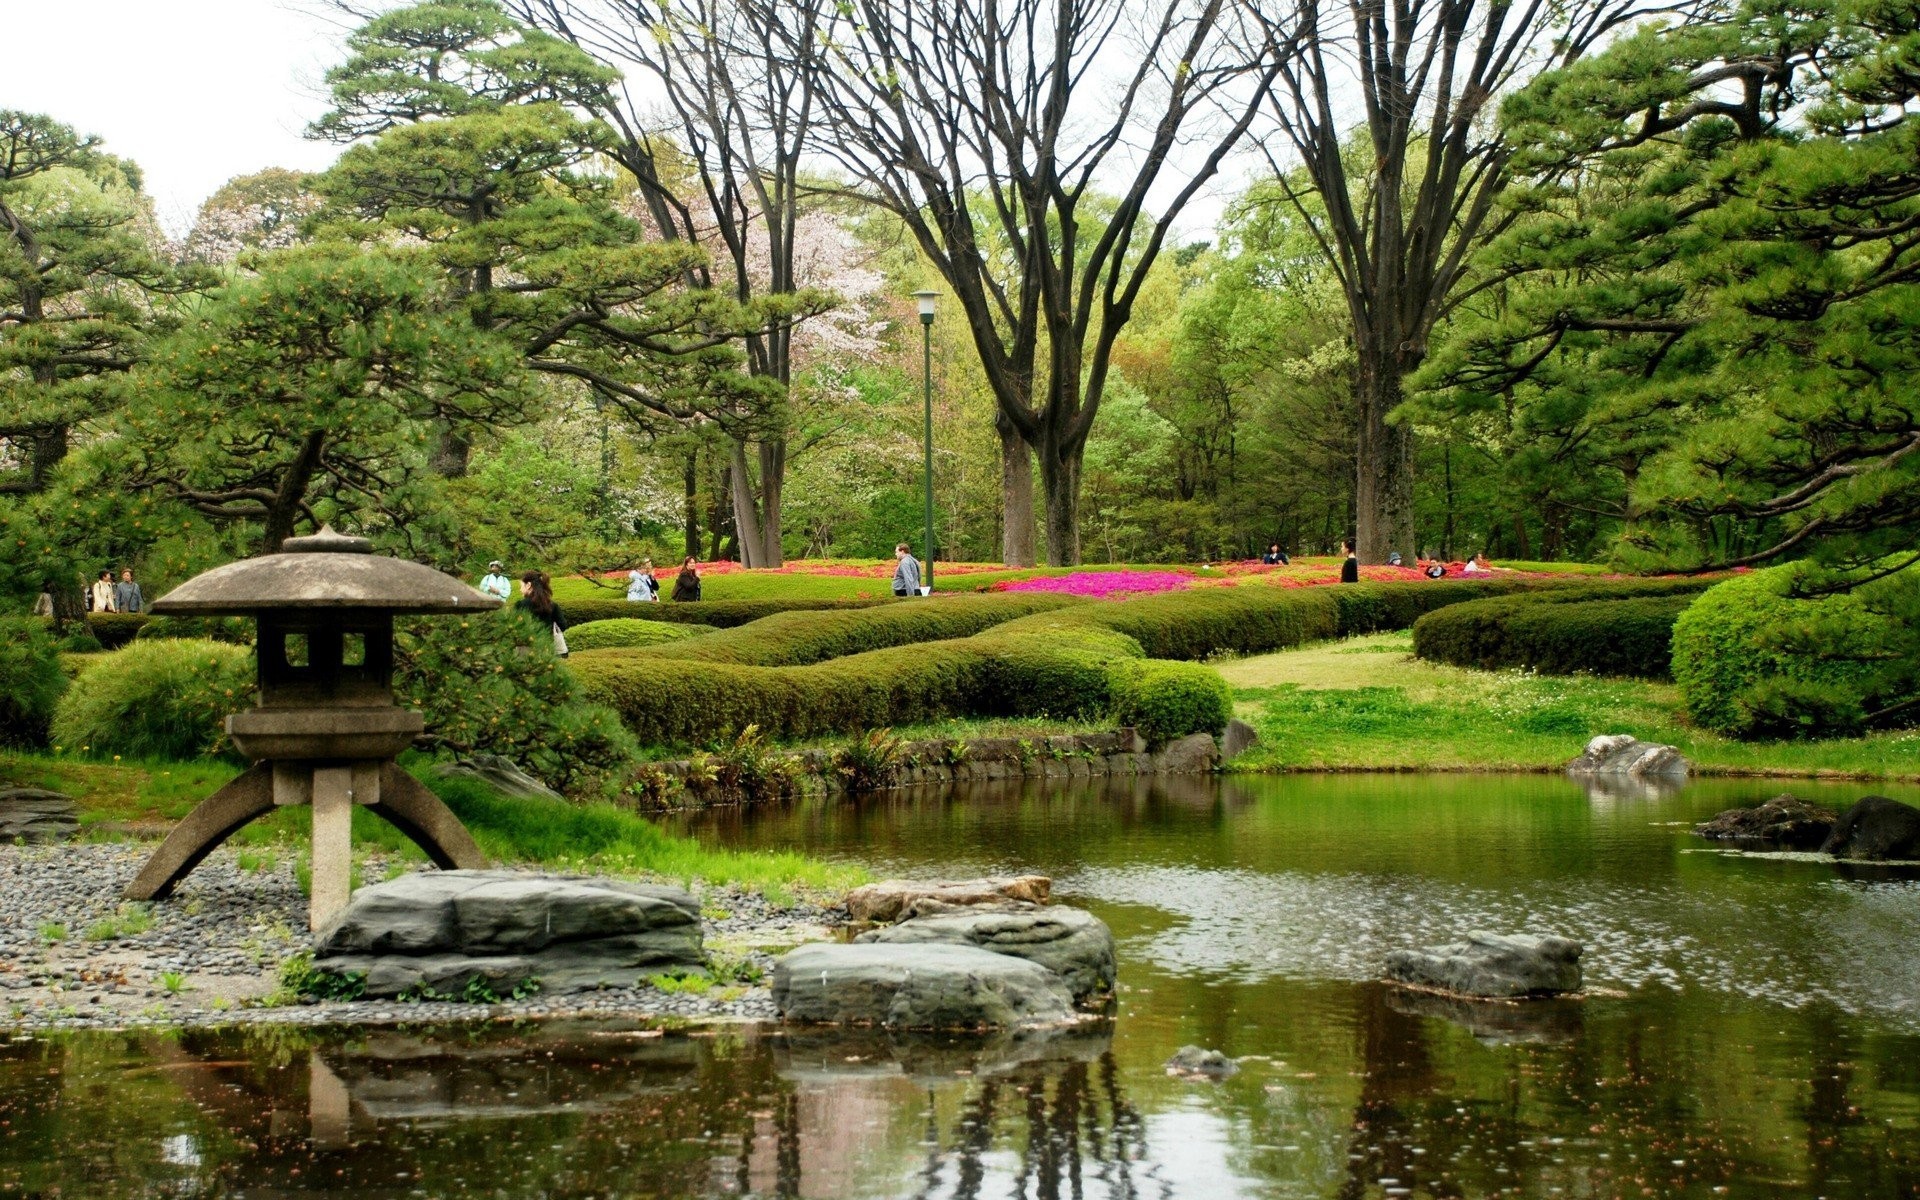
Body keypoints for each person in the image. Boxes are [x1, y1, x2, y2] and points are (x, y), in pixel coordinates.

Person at [516, 571, 569, 657]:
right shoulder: (552, 605)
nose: (520, 589)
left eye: (521, 586)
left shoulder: (520, 605)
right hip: (547, 649)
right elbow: (563, 626)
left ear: (528, 585)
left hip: (526, 650)